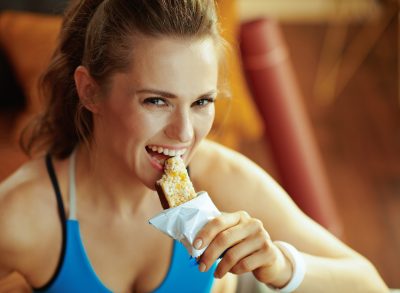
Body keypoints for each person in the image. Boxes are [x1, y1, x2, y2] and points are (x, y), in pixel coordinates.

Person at [0, 0, 389, 292]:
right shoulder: (25, 215)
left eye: (202, 101)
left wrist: (281, 263)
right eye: (157, 101)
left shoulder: (220, 179)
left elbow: (369, 284)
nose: (185, 134)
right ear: (90, 91)